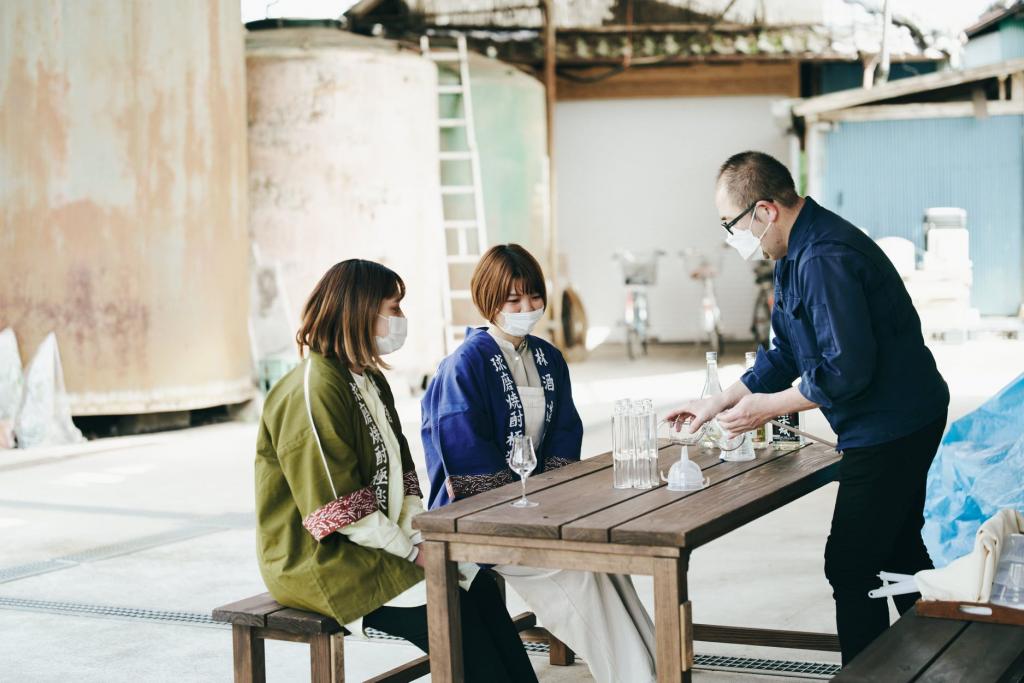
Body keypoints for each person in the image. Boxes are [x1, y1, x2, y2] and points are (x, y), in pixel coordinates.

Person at [667, 151, 950, 665]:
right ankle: (935, 660)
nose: (734, 237)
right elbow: (787, 352)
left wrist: (767, 409)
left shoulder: (824, 256)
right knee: (898, 552)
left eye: (732, 223)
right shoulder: (793, 253)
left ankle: (875, 672)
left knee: (850, 563)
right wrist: (720, 400)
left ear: (766, 210)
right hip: (898, 415)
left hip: (892, 425)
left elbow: (845, 371)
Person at [255, 259, 537, 683]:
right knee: (449, 606)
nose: (401, 319)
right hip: (324, 559)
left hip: (378, 544)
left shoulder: (369, 378)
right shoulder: (314, 388)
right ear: (359, 310)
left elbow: (403, 478)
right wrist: (410, 552)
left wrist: (417, 537)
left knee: (477, 584)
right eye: (394, 307)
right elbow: (339, 508)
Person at [422, 244, 657, 683]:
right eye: (513, 300)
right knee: (580, 577)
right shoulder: (465, 365)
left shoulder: (548, 357)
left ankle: (659, 669)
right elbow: (464, 451)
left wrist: (552, 504)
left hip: (541, 509)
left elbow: (566, 431)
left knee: (609, 566)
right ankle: (637, 676)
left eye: (533, 296)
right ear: (486, 299)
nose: (527, 308)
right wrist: (522, 513)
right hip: (483, 521)